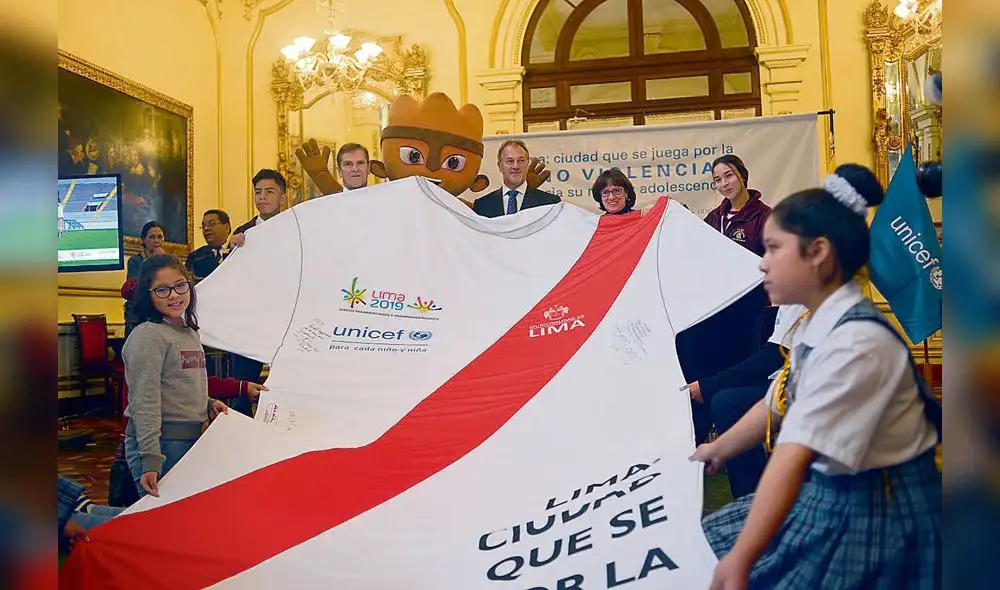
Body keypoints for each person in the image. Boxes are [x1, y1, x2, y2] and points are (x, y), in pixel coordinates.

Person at [692, 164, 941, 589]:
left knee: (715, 557)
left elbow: (792, 454)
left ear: (819, 253)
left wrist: (742, 559)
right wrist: (717, 448)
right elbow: (779, 397)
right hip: (833, 497)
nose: (761, 265)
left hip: (876, 519)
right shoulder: (814, 323)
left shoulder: (855, 347)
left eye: (772, 249)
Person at [123, 254, 249, 498]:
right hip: (159, 445)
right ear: (148, 294)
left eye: (180, 286)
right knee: (163, 525)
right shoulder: (148, 336)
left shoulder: (186, 331)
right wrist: (150, 459)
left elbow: (182, 385)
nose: (174, 295)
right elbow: (144, 401)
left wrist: (208, 403)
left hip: (188, 440)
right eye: (162, 290)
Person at [681, 303, 806, 498]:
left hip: (803, 388)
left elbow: (773, 357)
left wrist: (710, 385)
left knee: (727, 403)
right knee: (726, 397)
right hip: (785, 382)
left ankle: (753, 495)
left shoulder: (801, 297)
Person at [472, 139, 560, 218]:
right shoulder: (482, 205)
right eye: (510, 161)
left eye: (521, 161)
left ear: (527, 164)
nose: (515, 166)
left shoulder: (550, 203)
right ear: (500, 166)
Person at [704, 154, 770, 256]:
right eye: (718, 180)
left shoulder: (765, 217)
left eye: (729, 175)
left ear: (743, 176)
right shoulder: (714, 217)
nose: (724, 183)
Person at [123, 221, 165, 338]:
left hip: (159, 314)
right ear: (144, 240)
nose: (156, 240)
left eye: (160, 237)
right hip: (137, 316)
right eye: (152, 237)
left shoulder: (167, 261)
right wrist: (153, 262)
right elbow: (138, 287)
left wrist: (162, 261)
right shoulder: (135, 261)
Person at [230, 169, 285, 248]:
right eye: (258, 192)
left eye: (269, 192)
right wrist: (233, 250)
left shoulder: (294, 229)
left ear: (283, 198)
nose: (262, 197)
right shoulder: (242, 232)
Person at [185, 209, 232, 283]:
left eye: (212, 224)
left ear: (227, 227)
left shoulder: (236, 250)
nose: (206, 228)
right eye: (203, 226)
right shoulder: (195, 257)